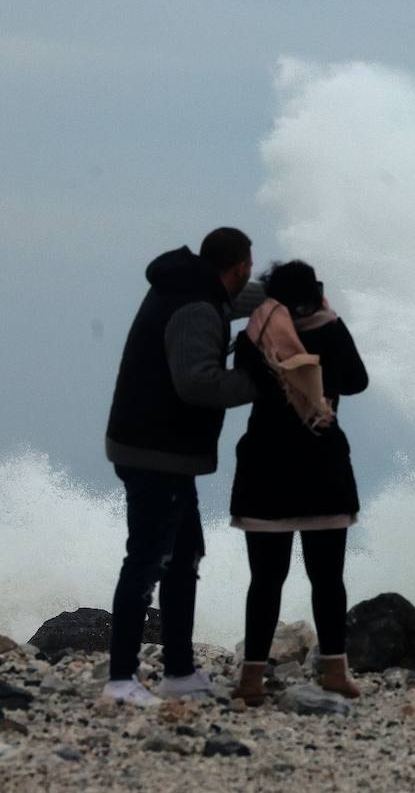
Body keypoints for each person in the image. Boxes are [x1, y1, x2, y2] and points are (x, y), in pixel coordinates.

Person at [103, 227, 264, 706]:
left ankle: (177, 672)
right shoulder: (196, 307)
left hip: (155, 449)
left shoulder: (196, 289)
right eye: (249, 270)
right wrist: (262, 380)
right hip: (155, 453)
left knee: (185, 555)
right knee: (149, 560)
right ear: (239, 267)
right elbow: (197, 383)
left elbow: (237, 301)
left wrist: (284, 296)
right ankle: (120, 679)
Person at [227, 260, 368, 705]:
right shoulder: (329, 330)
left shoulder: (256, 334)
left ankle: (251, 680)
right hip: (322, 464)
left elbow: (241, 382)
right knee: (327, 578)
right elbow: (358, 382)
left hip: (265, 467)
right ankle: (335, 673)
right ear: (316, 292)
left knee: (265, 579)